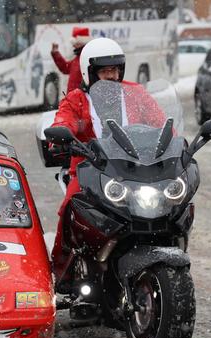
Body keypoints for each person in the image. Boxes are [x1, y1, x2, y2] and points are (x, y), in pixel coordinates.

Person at [50, 38, 168, 260]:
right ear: (89, 72)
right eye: (105, 71)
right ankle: (61, 268)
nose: (112, 76)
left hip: (136, 168)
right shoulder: (76, 100)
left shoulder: (135, 93)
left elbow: (160, 123)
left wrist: (173, 142)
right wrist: (59, 138)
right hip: (89, 169)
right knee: (70, 207)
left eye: (115, 70)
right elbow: (63, 122)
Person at [51, 27, 91, 94]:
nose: (73, 45)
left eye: (76, 43)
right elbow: (65, 68)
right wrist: (56, 53)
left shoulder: (86, 58)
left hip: (78, 98)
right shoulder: (78, 58)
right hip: (74, 97)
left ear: (82, 42)